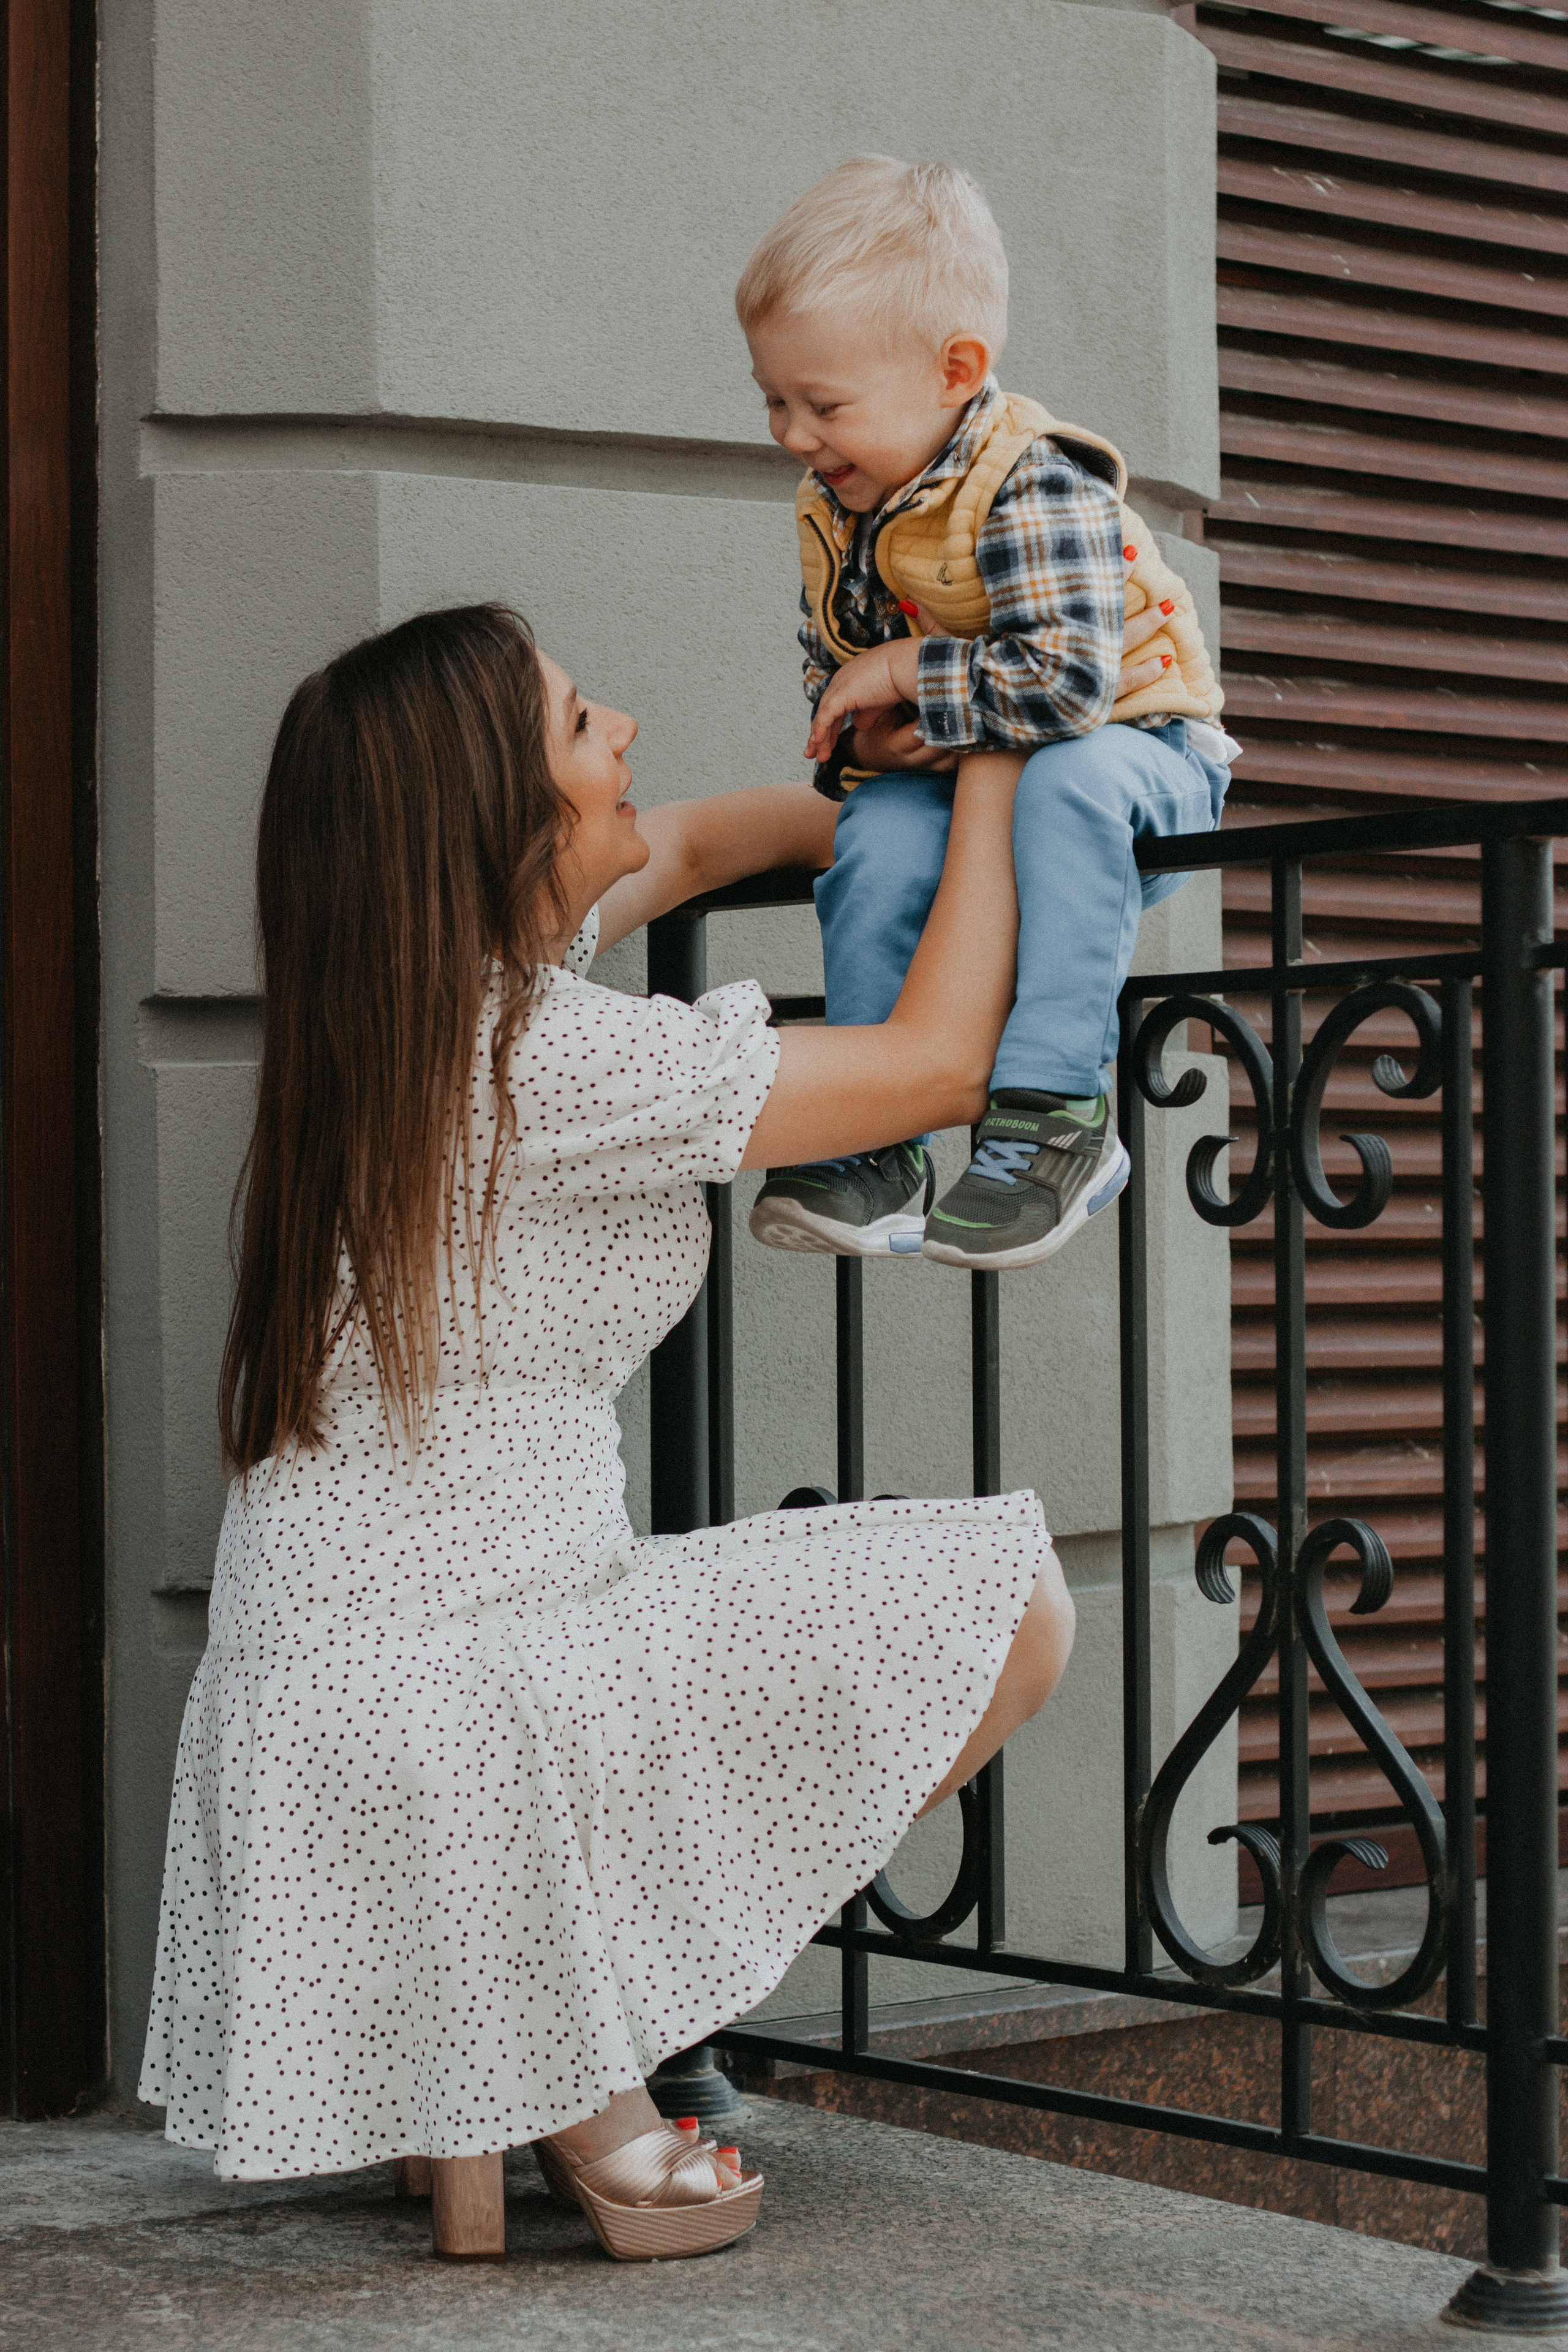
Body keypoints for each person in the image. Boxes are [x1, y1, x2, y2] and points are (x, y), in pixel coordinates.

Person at [139, 603, 1076, 2266]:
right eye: (584, 728)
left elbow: (708, 838)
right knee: (1019, 1603)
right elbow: (939, 1072)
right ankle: (588, 2063)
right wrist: (1003, 759)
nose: (628, 727)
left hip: (348, 1683)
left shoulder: (427, 1015)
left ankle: (534, 2056)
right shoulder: (540, 1059)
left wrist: (872, 792)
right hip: (459, 1687)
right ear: (498, 827)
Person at [737, 155, 1240, 1272]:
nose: (791, 433)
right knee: (876, 833)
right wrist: (867, 738)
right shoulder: (839, 501)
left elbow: (1069, 690)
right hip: (974, 773)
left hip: (1142, 759)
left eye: (823, 404)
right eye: (774, 398)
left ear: (956, 369)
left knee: (1071, 778)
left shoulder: (1031, 482)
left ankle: (1059, 1107)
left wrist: (916, 669)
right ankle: (880, 1133)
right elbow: (840, 685)